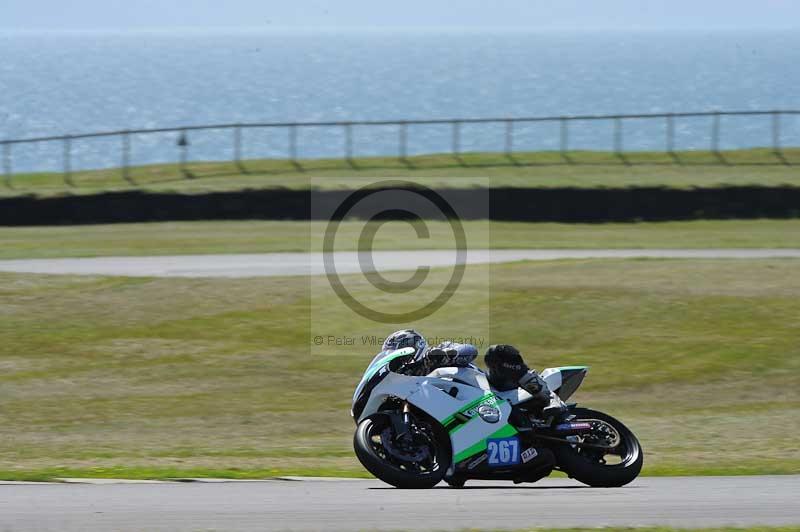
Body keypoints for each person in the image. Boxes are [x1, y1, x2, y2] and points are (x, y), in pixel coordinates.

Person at [381, 330, 566, 418]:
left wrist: (449, 354)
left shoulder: (435, 354)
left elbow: (470, 350)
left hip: (491, 391)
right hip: (464, 415)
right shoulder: (403, 382)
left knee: (496, 353)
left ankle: (549, 397)